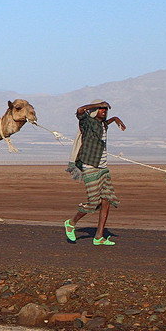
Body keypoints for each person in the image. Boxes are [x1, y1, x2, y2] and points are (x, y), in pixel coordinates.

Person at [63, 100, 126, 246]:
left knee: (106, 201)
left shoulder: (102, 125)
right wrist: (96, 105)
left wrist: (115, 119)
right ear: (94, 111)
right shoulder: (87, 123)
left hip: (103, 168)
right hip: (90, 167)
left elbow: (105, 123)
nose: (104, 111)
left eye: (106, 110)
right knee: (93, 202)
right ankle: (71, 223)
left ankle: (99, 237)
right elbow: (79, 110)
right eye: (101, 109)